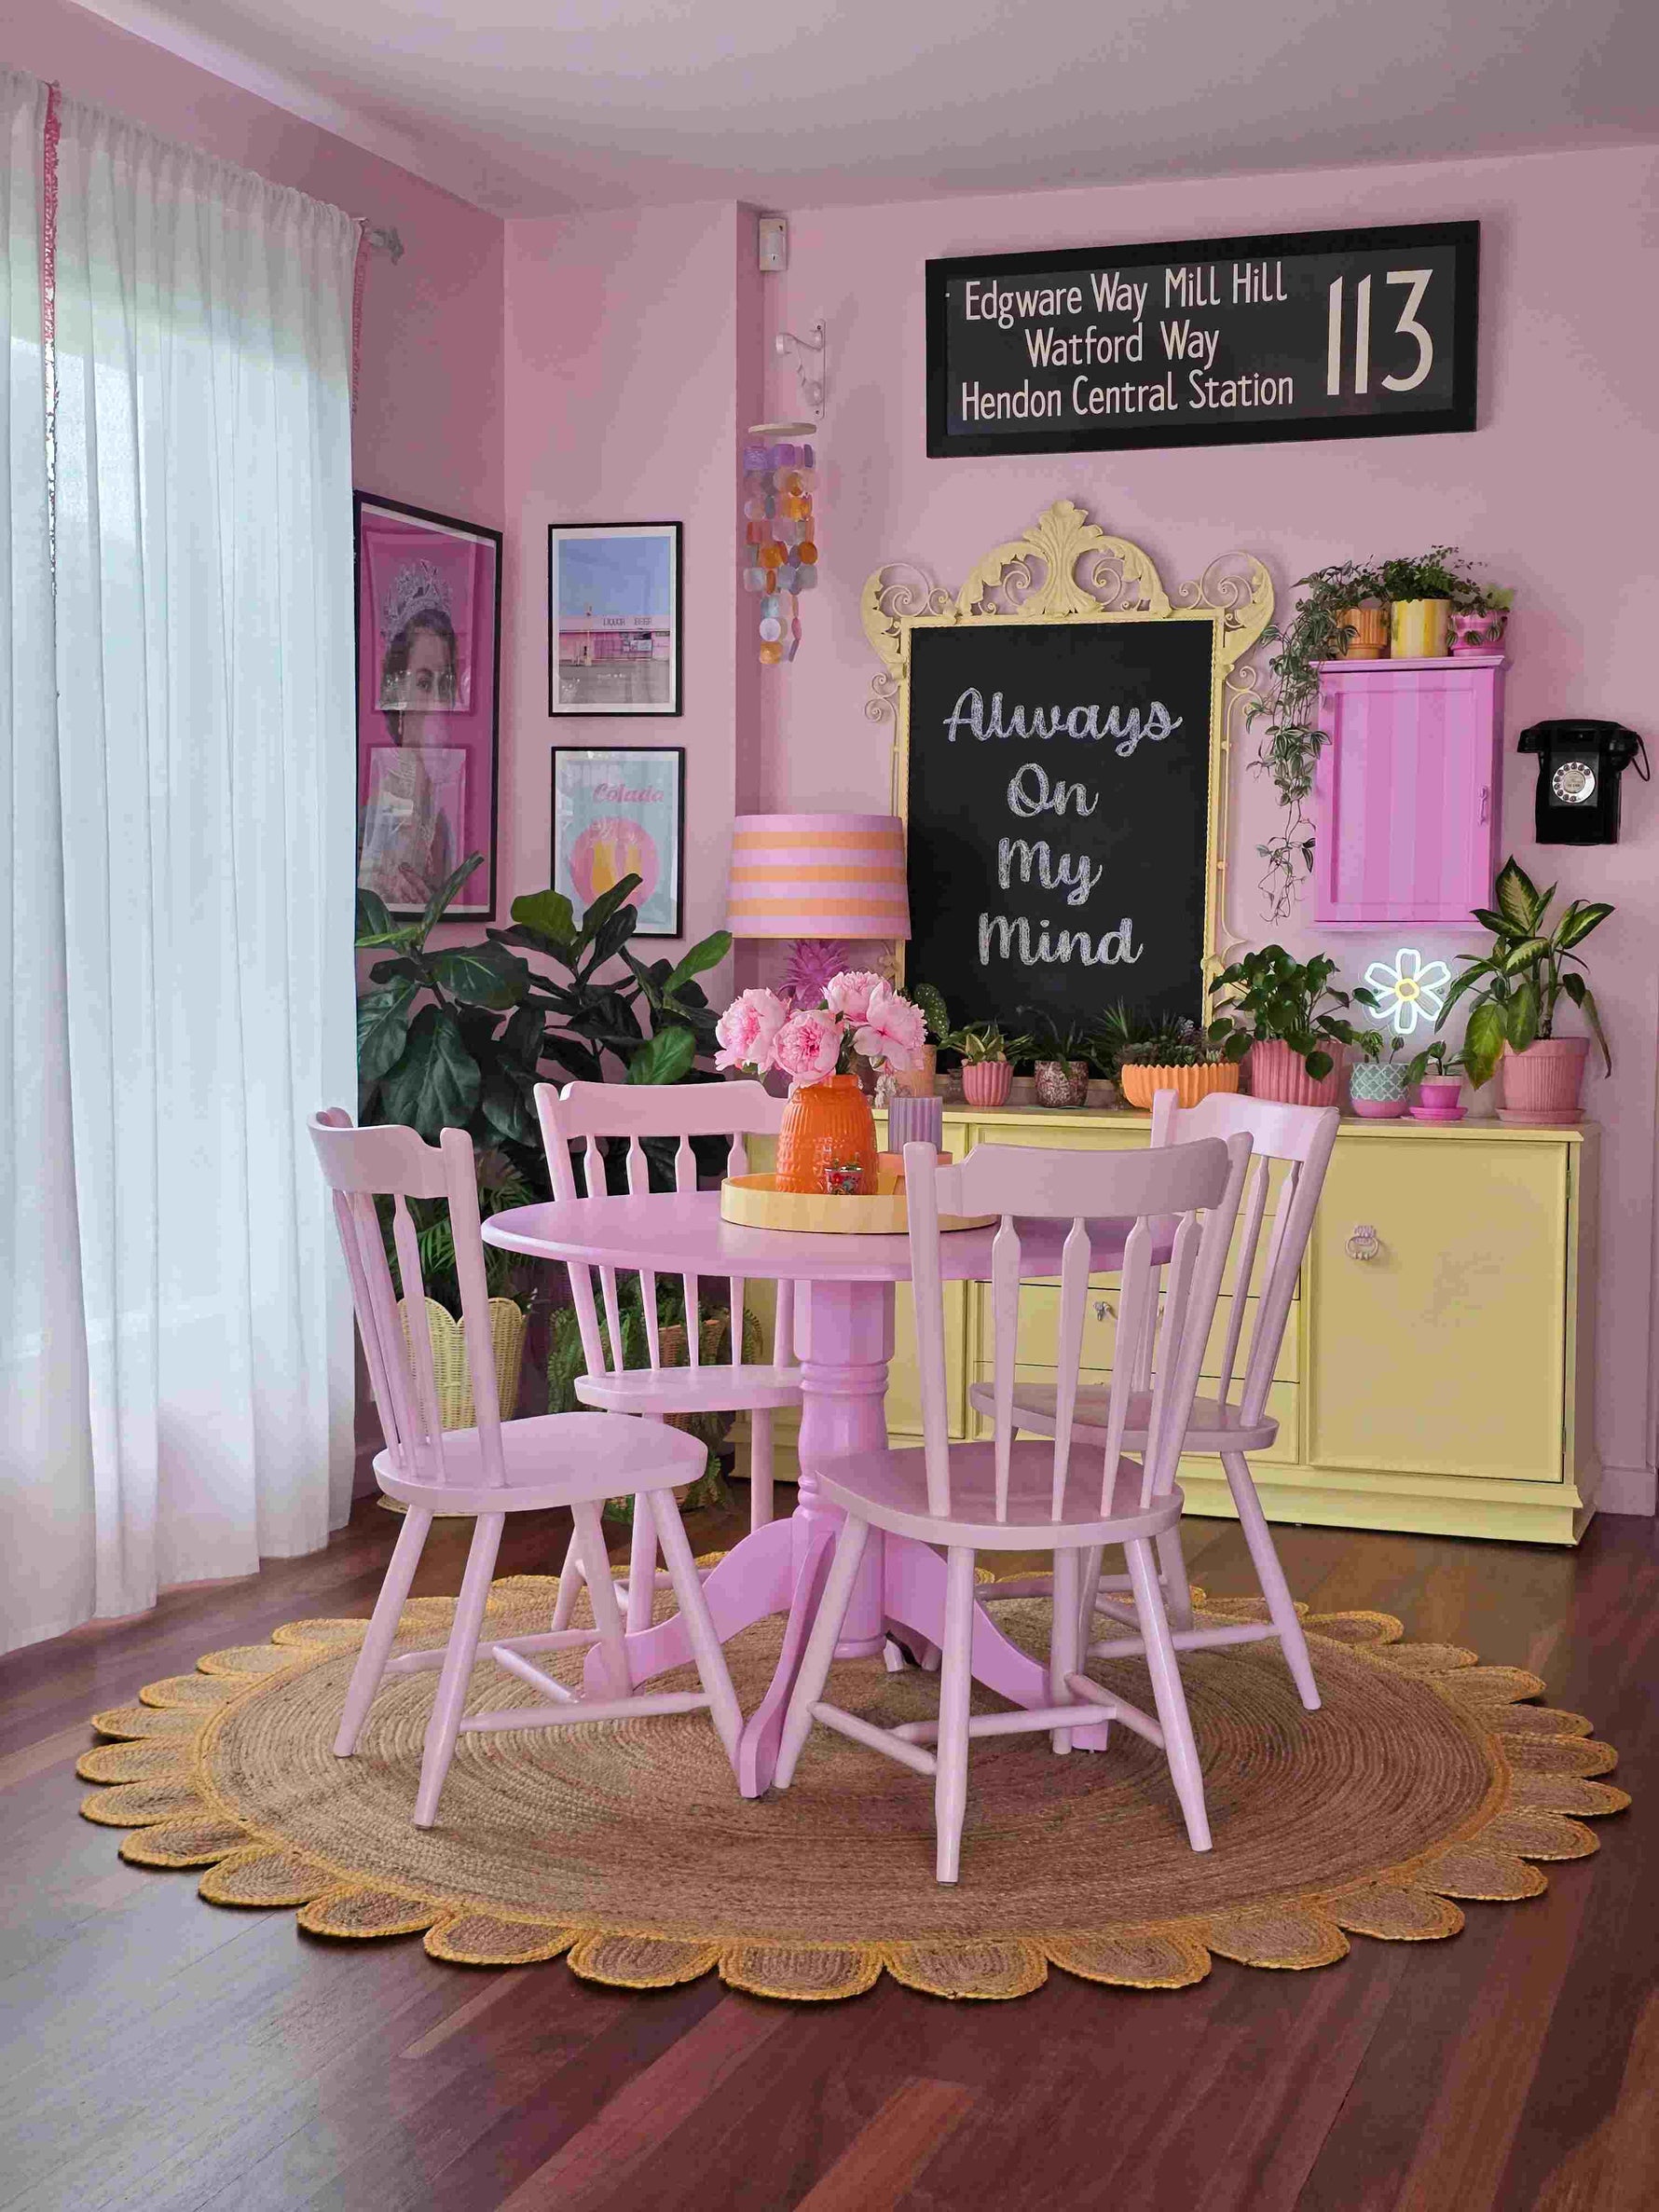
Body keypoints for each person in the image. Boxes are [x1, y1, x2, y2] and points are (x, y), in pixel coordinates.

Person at [359, 570, 464, 910]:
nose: (437, 701)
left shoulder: (442, 825)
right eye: (422, 683)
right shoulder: (371, 810)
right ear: (398, 694)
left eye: (444, 684)